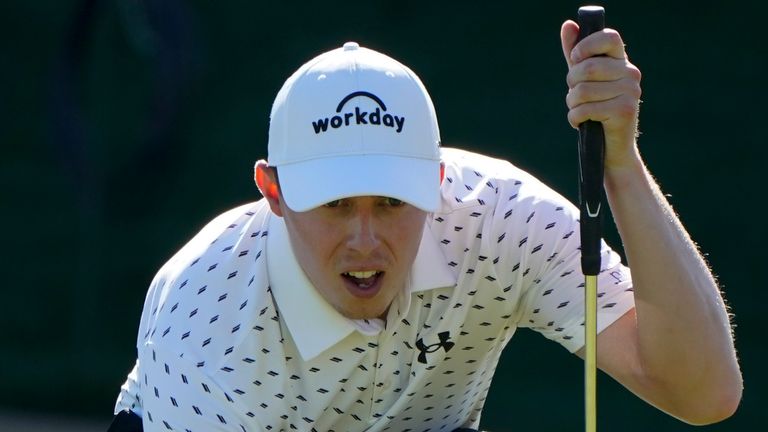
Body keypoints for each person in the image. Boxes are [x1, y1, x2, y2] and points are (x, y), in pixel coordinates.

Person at [110, 20, 742, 432]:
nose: (364, 240)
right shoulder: (208, 330)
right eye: (334, 205)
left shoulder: (498, 219)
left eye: (390, 203)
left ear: (437, 186)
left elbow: (703, 390)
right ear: (273, 192)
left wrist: (622, 166)